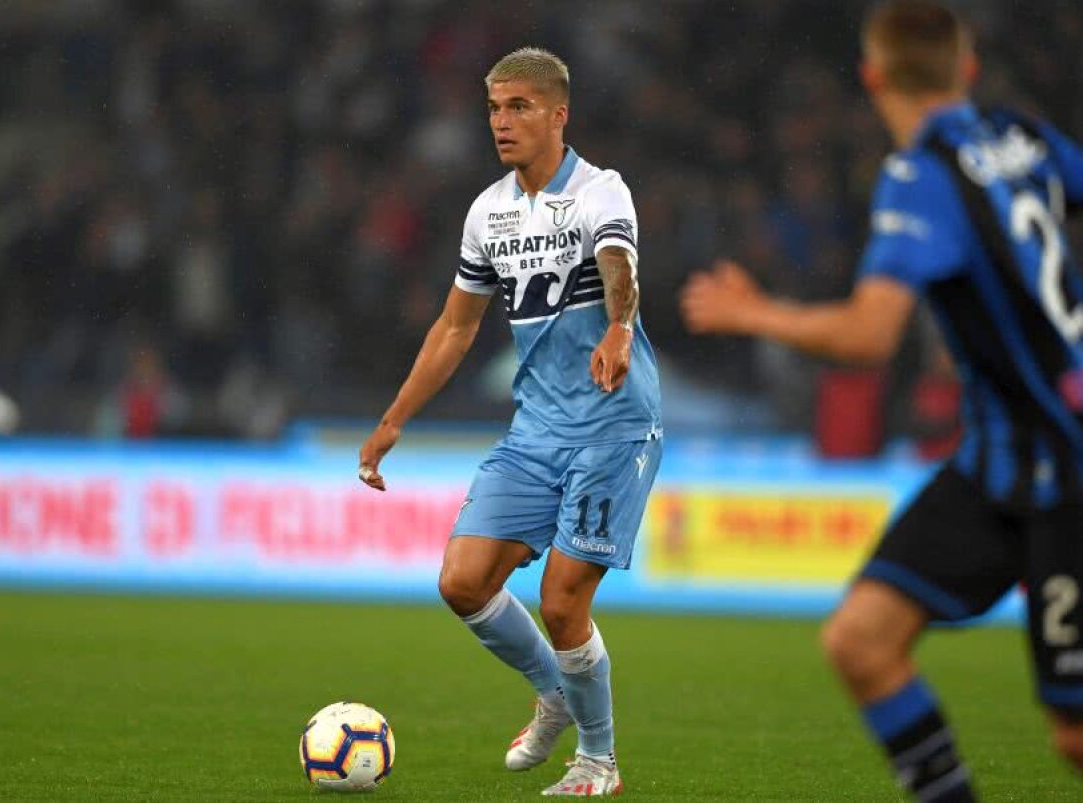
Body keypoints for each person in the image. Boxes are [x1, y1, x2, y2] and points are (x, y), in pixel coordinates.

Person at [681, 1, 1083, 799]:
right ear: (965, 71)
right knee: (862, 639)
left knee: (1075, 735)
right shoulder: (1026, 135)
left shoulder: (920, 176)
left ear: (871, 78)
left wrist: (752, 311)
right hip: (997, 465)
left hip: (1069, 471)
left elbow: (869, 337)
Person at [358, 47, 662, 796]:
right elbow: (455, 329)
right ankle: (554, 690)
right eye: (494, 108)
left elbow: (620, 268)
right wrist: (395, 418)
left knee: (563, 599)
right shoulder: (488, 212)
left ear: (559, 114)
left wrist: (619, 330)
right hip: (535, 431)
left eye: (519, 107)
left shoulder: (600, 191)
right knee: (462, 581)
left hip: (613, 428)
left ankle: (598, 760)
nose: (502, 122)